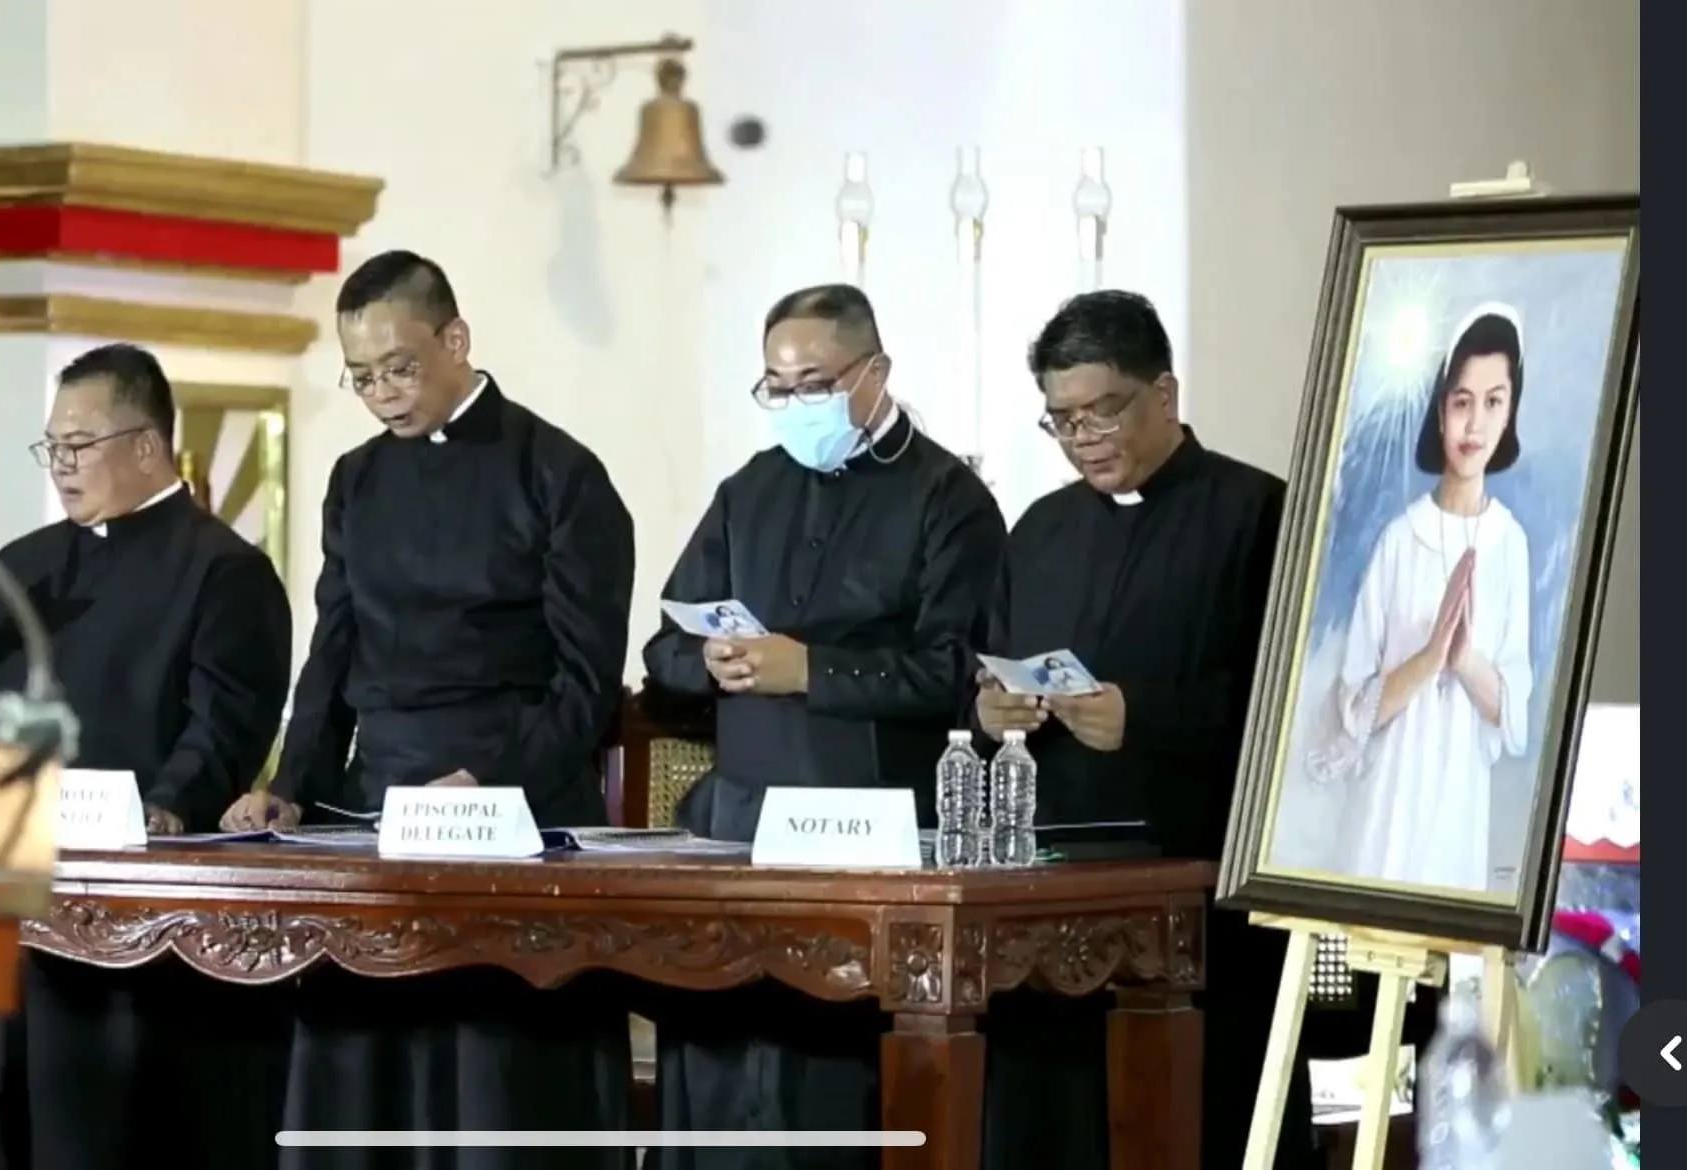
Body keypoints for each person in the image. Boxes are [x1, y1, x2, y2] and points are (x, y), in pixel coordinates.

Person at [218, 249, 637, 1170]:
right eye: (361, 377)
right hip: (379, 806)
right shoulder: (356, 480)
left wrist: (487, 783)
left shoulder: (559, 473)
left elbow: (585, 678)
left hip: (519, 811)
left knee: (500, 1096)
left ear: (456, 340)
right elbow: (333, 651)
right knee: (360, 1077)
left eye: (399, 369)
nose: (382, 395)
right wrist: (292, 786)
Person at [640, 283, 1006, 1170]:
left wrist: (812, 669)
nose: (795, 404)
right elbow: (665, 647)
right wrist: (715, 663)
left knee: (829, 1082)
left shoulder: (948, 498)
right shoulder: (748, 489)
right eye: (776, 385)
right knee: (727, 1069)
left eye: (814, 382)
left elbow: (956, 674)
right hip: (742, 820)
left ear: (874, 372)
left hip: (871, 824)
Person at [0, 342, 294, 1170]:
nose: (61, 466)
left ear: (146, 446)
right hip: (28, 898)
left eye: (77, 446)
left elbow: (227, 723)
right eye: (52, 446)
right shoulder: (27, 566)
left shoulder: (226, 571)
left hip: (156, 914)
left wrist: (165, 808)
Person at [971, 291, 1313, 1169]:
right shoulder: (1041, 529)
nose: (1084, 436)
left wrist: (1147, 718)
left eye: (1103, 410)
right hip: (1048, 899)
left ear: (1164, 393)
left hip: (1203, 899)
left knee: (1201, 1128)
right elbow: (990, 673)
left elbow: (1301, 716)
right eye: (1062, 420)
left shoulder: (1260, 514)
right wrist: (988, 713)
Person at [1316, 304, 1532, 891]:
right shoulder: (1398, 539)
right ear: (1441, 412)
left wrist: (1462, 660)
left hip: (1457, 805)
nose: (1475, 424)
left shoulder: (1509, 544)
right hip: (1387, 802)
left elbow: (1514, 715)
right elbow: (1353, 707)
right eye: (1462, 401)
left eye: (1494, 402)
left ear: (1510, 412)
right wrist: (1429, 657)